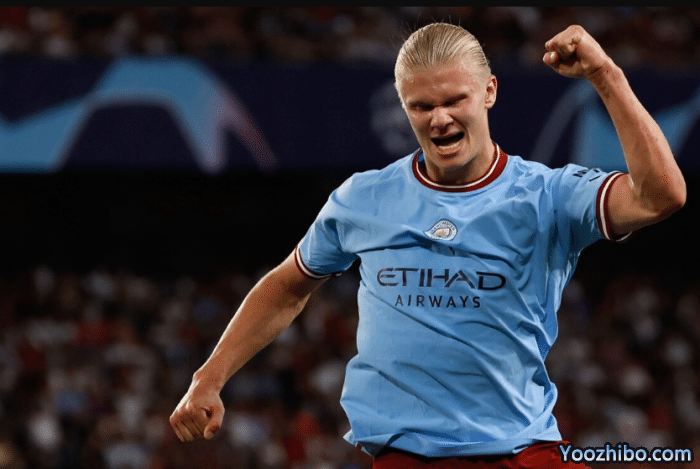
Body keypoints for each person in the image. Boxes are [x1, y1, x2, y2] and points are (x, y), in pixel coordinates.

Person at [169, 22, 686, 468]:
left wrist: (605, 75)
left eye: (454, 100)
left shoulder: (549, 196)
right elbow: (287, 285)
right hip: (406, 459)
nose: (439, 118)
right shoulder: (362, 199)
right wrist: (208, 377)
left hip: (522, 452)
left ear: (489, 91)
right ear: (404, 107)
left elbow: (661, 196)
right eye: (422, 106)